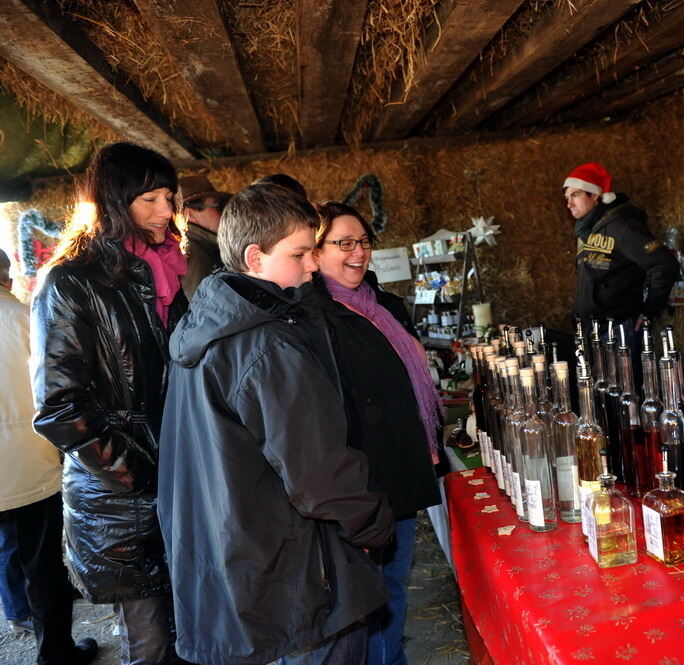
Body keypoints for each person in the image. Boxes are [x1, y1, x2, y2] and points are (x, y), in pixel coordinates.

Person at [158, 185, 394, 665]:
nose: (312, 266)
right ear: (255, 256)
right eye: (300, 253)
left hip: (240, 566)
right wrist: (374, 525)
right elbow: (318, 475)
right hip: (297, 579)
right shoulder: (268, 347)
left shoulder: (202, 327)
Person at [30, 142, 188, 665]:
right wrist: (143, 475)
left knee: (191, 633)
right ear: (115, 202)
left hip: (178, 483)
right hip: (121, 500)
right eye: (151, 199)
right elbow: (58, 407)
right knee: (151, 646)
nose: (167, 211)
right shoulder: (70, 282)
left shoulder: (163, 273)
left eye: (169, 196)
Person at [312, 202, 442, 665]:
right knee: (366, 598)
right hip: (360, 484)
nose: (357, 252)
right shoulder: (315, 319)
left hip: (400, 473)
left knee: (393, 588)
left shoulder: (385, 305)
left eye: (363, 241)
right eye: (342, 243)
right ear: (316, 251)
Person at [2, 248, 99, 665]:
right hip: (27, 463)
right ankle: (55, 653)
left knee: (7, 547)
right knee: (43, 564)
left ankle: (15, 610)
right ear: (5, 275)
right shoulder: (21, 319)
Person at [565, 162, 678, 331]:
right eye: (567, 198)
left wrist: (650, 310)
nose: (569, 204)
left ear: (595, 194)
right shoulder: (586, 232)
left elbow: (664, 263)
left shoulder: (622, 227)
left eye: (575, 195)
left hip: (618, 329)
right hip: (592, 329)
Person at [178, 174, 231, 299]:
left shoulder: (203, 246)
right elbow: (196, 306)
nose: (224, 213)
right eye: (218, 206)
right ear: (189, 215)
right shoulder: (194, 251)